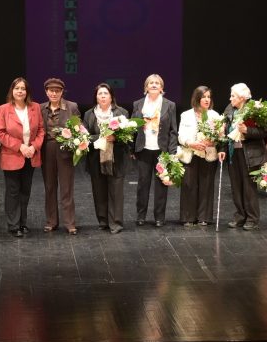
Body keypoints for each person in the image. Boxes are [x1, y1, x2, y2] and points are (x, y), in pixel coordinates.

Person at [0, 77, 44, 237]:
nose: (20, 91)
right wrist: (20, 146)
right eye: (17, 88)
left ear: (27, 91)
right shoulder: (3, 109)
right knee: (13, 191)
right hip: (12, 156)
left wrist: (33, 147)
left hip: (30, 155)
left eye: (23, 88)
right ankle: (13, 225)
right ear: (12, 91)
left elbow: (41, 130)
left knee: (25, 191)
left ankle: (23, 223)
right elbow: (0, 133)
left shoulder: (35, 107)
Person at [132, 74, 178, 227]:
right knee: (142, 184)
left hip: (162, 150)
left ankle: (159, 217)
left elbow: (173, 131)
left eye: (157, 83)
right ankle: (141, 216)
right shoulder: (138, 104)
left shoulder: (169, 105)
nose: (153, 85)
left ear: (161, 88)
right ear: (146, 87)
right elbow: (132, 127)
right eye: (150, 83)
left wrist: (172, 153)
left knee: (161, 185)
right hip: (144, 149)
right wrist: (132, 149)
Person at [83, 83, 129, 234]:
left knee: (116, 192)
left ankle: (116, 223)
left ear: (111, 96)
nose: (102, 96)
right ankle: (103, 221)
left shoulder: (121, 113)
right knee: (99, 190)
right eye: (100, 93)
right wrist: (101, 137)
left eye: (105, 93)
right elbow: (84, 136)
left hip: (116, 158)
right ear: (96, 97)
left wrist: (116, 138)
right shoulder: (89, 114)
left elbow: (128, 136)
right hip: (95, 158)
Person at [177, 86, 226, 227]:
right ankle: (188, 217)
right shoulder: (186, 115)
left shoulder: (215, 116)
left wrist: (213, 141)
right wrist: (190, 143)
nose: (207, 99)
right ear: (197, 98)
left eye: (209, 97)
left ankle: (204, 217)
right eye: (204, 97)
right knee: (189, 185)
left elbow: (221, 137)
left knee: (206, 185)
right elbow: (180, 136)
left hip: (208, 154)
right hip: (190, 154)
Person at [223, 83, 267, 230]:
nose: (230, 98)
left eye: (233, 96)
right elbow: (224, 132)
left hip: (249, 153)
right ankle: (240, 216)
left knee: (248, 187)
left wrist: (247, 130)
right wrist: (222, 148)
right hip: (233, 152)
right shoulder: (229, 109)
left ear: (242, 98)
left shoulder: (255, 109)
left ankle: (252, 218)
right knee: (236, 186)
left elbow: (264, 132)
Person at [40, 78, 80, 234]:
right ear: (46, 92)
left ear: (62, 92)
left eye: (57, 91)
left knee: (66, 187)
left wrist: (74, 138)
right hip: (47, 149)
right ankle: (51, 221)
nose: (54, 93)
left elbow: (79, 127)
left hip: (65, 150)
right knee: (49, 186)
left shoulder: (71, 107)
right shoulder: (41, 108)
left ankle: (69, 223)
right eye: (51, 90)